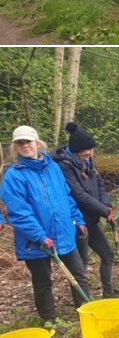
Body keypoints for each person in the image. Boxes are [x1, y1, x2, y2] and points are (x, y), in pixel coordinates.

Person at [0, 125, 91, 325]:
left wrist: (78, 220)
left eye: (28, 141)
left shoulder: (53, 168)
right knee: (43, 283)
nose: (25, 146)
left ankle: (86, 312)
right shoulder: (14, 175)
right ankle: (50, 321)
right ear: (15, 147)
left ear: (37, 142)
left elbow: (67, 197)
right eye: (20, 143)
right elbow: (19, 212)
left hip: (65, 233)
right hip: (36, 241)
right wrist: (40, 236)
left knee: (78, 273)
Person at [52, 122, 119, 298]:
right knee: (81, 265)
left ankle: (109, 293)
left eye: (92, 149)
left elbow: (100, 185)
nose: (91, 153)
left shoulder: (89, 161)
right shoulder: (64, 166)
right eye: (88, 150)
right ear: (77, 150)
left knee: (108, 255)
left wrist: (108, 206)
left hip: (92, 219)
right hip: (77, 221)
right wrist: (104, 211)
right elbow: (79, 195)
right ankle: (82, 302)